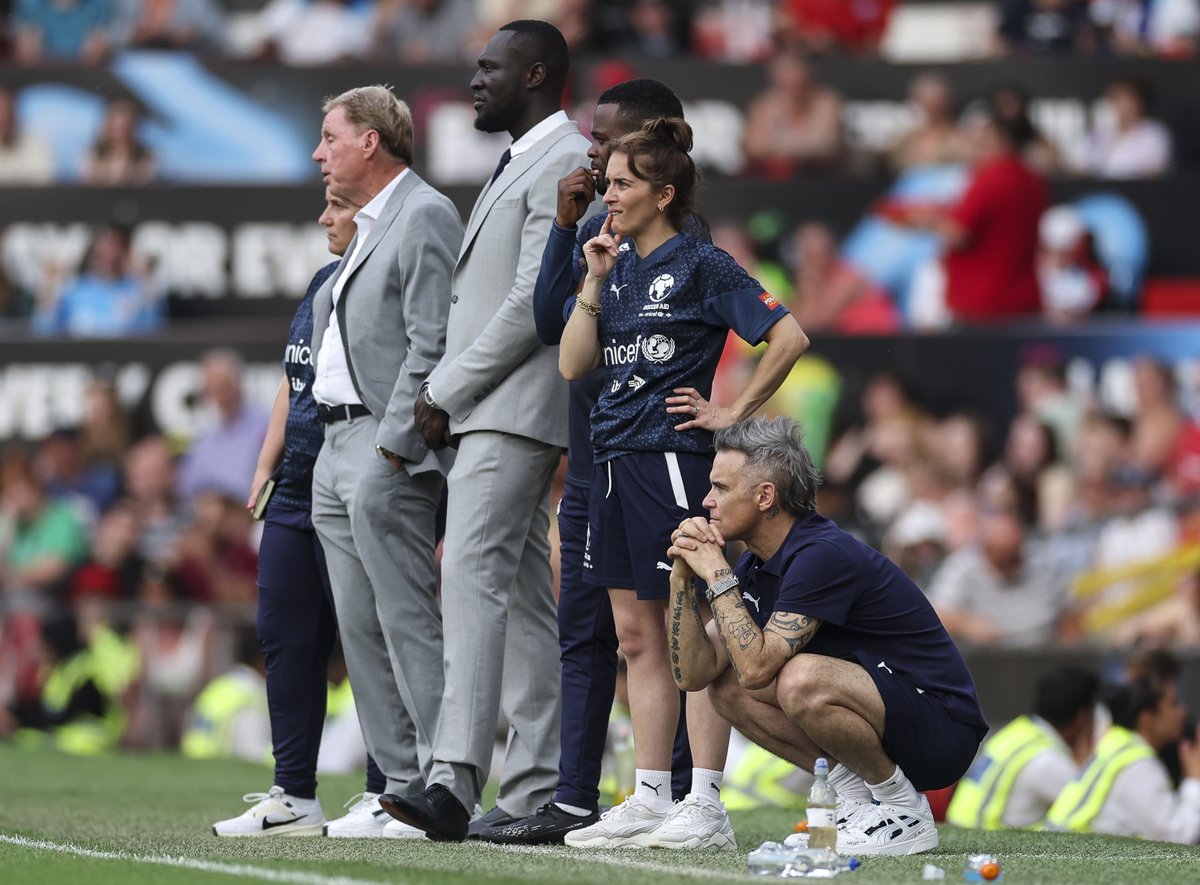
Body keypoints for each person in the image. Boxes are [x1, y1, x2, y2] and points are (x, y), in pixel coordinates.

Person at [557, 120, 808, 850]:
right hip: (609, 462)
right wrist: (594, 280)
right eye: (607, 184)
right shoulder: (615, 265)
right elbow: (575, 365)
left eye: (623, 184)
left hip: (671, 459)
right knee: (636, 637)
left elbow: (788, 336)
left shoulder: (703, 264)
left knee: (693, 629)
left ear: (664, 193)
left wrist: (732, 411)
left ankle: (703, 801)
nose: (610, 195)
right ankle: (649, 796)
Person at [482, 78, 702, 846]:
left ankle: (678, 796)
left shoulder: (678, 245)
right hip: (590, 464)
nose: (591, 150)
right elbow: (550, 324)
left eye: (606, 140)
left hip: (651, 458)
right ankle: (575, 798)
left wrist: (730, 413)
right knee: (587, 630)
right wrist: (562, 224)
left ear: (649, 146)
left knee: (674, 634)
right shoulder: (595, 226)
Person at [385, 20, 590, 844]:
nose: (474, 80)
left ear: (535, 71)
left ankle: (452, 779)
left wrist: (445, 387)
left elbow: (531, 307)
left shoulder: (565, 158)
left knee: (467, 572)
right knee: (524, 600)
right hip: (499, 406)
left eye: (489, 67)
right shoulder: (524, 159)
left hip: (512, 403)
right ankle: (539, 782)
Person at [667, 416, 988, 856]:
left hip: (941, 726)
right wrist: (683, 580)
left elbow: (758, 667)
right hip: (887, 716)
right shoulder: (757, 565)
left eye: (721, 488)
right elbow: (695, 674)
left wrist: (718, 575)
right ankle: (857, 804)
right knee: (724, 686)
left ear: (765, 496)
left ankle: (902, 811)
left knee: (798, 677)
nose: (707, 501)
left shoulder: (821, 554)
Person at [308, 85, 462, 838]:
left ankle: (442, 783)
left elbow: (431, 341)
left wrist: (394, 445)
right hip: (333, 443)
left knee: (405, 618)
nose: (319, 152)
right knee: (360, 627)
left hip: (381, 442)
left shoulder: (424, 212)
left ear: (371, 141)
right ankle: (397, 784)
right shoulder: (366, 227)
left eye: (330, 136)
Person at [211, 189, 389, 838]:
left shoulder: (384, 275)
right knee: (283, 634)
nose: (323, 218)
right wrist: (264, 462)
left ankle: (386, 790)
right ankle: (293, 793)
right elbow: (295, 379)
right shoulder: (320, 280)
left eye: (336, 207)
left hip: (352, 480)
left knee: (367, 637)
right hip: (294, 485)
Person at [883, 109, 1049, 326]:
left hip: (983, 306)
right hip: (1025, 301)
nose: (978, 147)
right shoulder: (1033, 181)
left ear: (1001, 141)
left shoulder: (989, 179)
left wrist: (920, 220)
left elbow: (958, 232)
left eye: (984, 140)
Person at [1046, 671, 1200, 842]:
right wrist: (1195, 780)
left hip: (1065, 850)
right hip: (1074, 859)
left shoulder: (1117, 743)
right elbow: (1179, 838)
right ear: (1147, 718)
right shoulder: (1137, 765)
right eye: (1174, 704)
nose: (1183, 711)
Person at [946, 665, 1099, 830]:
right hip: (994, 845)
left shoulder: (1016, 733)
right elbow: (1096, 816)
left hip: (959, 829)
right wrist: (1090, 756)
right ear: (1082, 716)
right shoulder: (1048, 761)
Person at [175, 349, 269, 504]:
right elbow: (187, 487)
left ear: (238, 385)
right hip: (206, 514)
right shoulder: (202, 434)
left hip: (248, 514)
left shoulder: (263, 425)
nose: (219, 397)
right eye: (212, 390)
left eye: (224, 388)